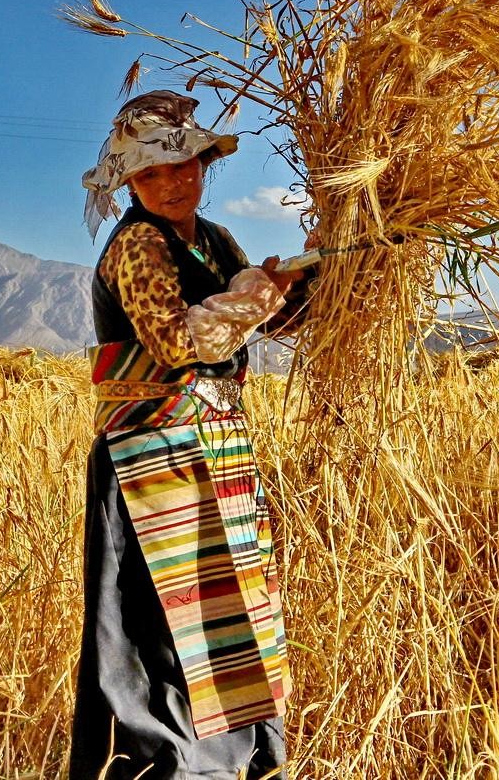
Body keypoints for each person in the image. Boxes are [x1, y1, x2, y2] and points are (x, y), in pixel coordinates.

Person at [69, 90, 318, 780]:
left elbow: (264, 326)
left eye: (186, 166)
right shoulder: (139, 245)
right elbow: (180, 342)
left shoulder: (211, 238)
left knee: (229, 613)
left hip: (216, 449)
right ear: (128, 183)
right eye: (151, 174)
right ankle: (171, 768)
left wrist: (303, 279)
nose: (173, 183)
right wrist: (252, 294)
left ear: (206, 164)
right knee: (162, 630)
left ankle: (241, 759)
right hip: (153, 462)